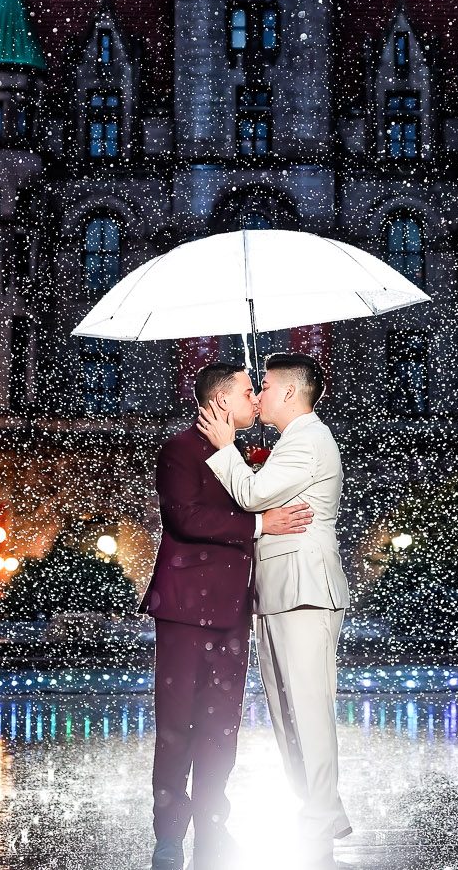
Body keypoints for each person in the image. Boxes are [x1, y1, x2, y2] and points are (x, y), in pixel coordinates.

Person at [144, 361, 314, 870]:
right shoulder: (179, 450)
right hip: (185, 609)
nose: (255, 400)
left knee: (221, 728)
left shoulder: (239, 454)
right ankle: (169, 836)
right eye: (247, 391)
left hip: (232, 612)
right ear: (220, 400)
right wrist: (260, 523)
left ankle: (213, 829)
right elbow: (185, 517)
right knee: (176, 726)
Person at [196, 351, 352, 865]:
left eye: (263, 385)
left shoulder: (308, 439)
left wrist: (226, 448)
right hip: (281, 590)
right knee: (289, 713)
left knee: (308, 708)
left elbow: (254, 494)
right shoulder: (293, 441)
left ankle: (320, 815)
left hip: (305, 589)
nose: (258, 395)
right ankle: (320, 808)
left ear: (288, 392)